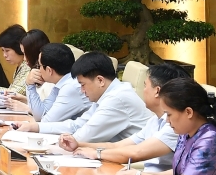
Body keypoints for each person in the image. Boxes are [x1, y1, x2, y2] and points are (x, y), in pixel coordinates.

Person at [64, 62, 187, 170]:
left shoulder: (175, 125)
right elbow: (117, 146)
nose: (142, 90)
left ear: (157, 91)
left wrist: (96, 154)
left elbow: (137, 152)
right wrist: (79, 145)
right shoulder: (154, 120)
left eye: (145, 85)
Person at [15, 51, 147, 142]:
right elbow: (77, 125)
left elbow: (84, 136)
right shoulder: (107, 94)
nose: (82, 91)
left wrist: (50, 141)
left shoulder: (116, 99)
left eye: (83, 85)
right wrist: (35, 127)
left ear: (100, 80)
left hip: (134, 164)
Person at [16, 43, 88, 123]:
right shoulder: (61, 84)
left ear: (49, 70)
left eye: (39, 65)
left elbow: (45, 121)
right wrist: (30, 85)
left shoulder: (71, 87)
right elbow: (41, 114)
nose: (38, 69)